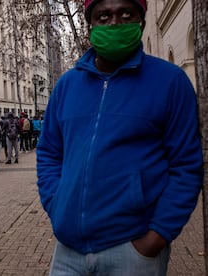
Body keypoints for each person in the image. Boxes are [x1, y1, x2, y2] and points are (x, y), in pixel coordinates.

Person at [36, 0, 203, 275]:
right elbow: (49, 153)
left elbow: (186, 166)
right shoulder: (67, 85)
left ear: (141, 21)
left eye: (126, 14)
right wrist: (57, 205)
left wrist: (156, 237)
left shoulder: (170, 82)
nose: (114, 22)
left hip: (133, 251)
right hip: (68, 253)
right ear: (90, 24)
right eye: (104, 15)